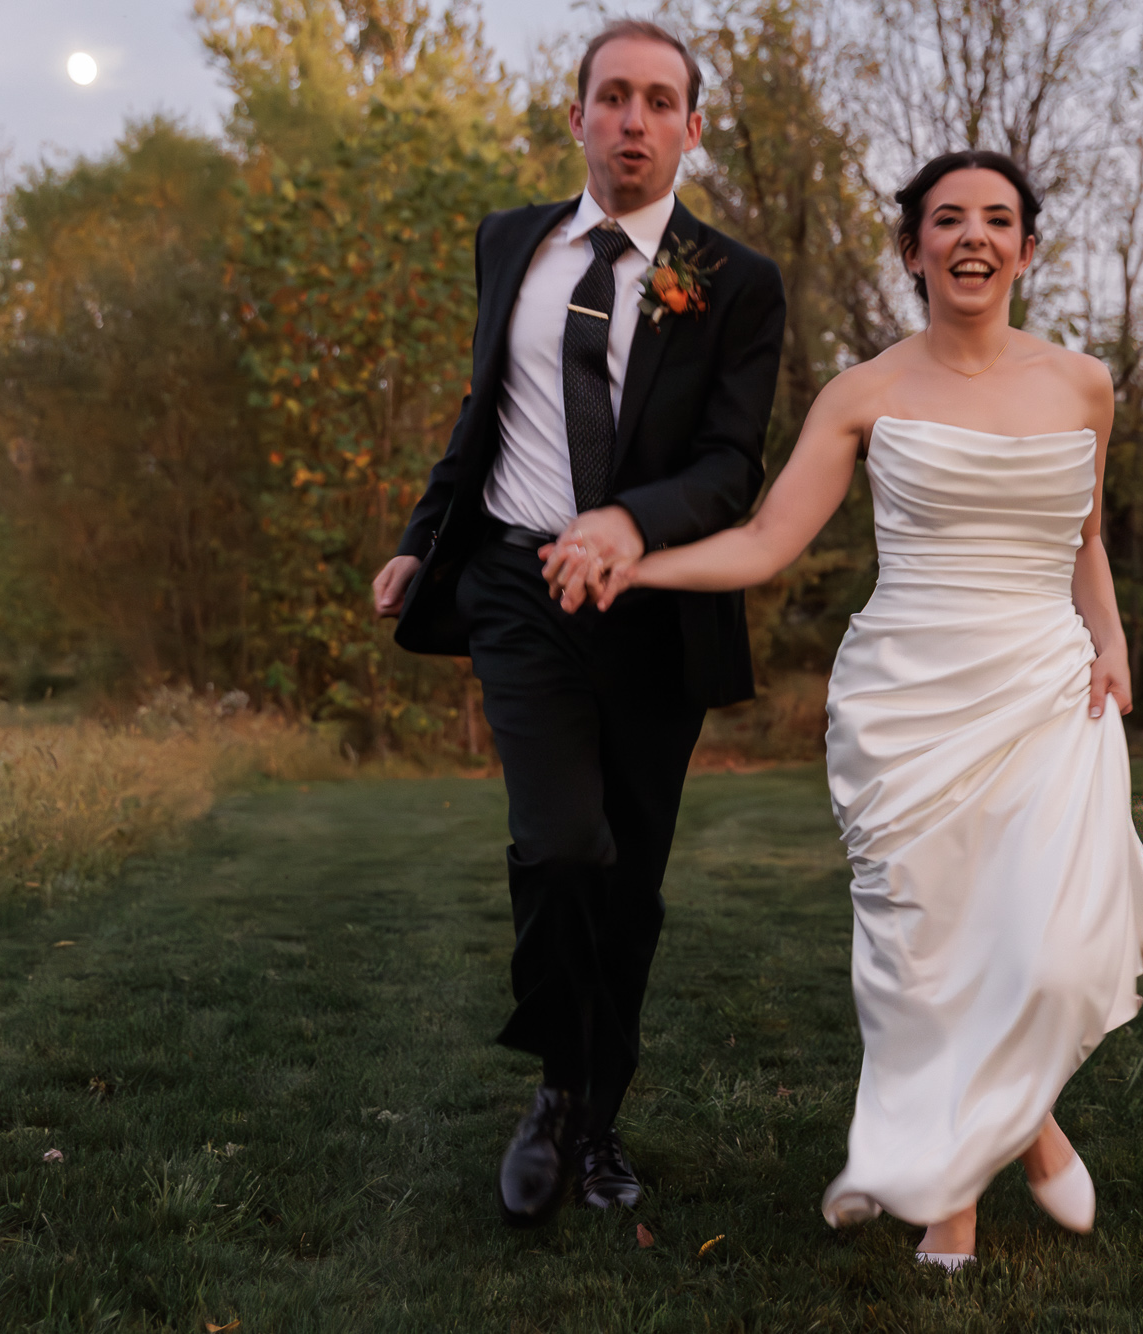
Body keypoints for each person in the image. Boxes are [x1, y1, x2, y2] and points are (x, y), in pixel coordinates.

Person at [560, 150, 1143, 1268]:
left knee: (1044, 956)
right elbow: (765, 541)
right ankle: (969, 1184)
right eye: (946, 219)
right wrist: (635, 564)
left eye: (996, 220)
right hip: (904, 702)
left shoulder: (1082, 385)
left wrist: (1110, 637)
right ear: (911, 250)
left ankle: (1023, 1121)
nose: (972, 237)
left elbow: (1083, 539)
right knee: (926, 954)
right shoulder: (863, 392)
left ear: (1027, 249)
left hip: (1047, 693)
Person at [370, 20, 785, 1228]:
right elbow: (481, 408)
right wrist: (418, 535)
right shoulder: (512, 242)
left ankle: (597, 1116)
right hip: (513, 582)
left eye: (660, 101)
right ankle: (558, 1092)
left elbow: (725, 465)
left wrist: (623, 525)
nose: (634, 120)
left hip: (652, 608)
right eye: (613, 97)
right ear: (577, 118)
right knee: (560, 845)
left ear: (691, 127)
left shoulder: (735, 279)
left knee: (629, 883)